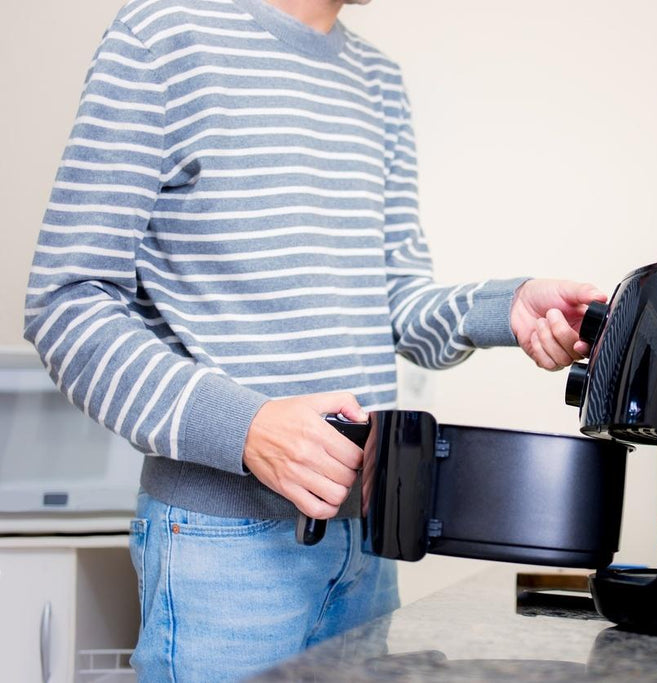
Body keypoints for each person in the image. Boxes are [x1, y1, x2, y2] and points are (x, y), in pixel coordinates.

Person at [23, 0, 605, 679]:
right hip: (222, 547)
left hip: (367, 540)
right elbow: (66, 302)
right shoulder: (161, 38)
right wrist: (246, 427)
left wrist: (505, 309)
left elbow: (396, 298)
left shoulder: (378, 81)